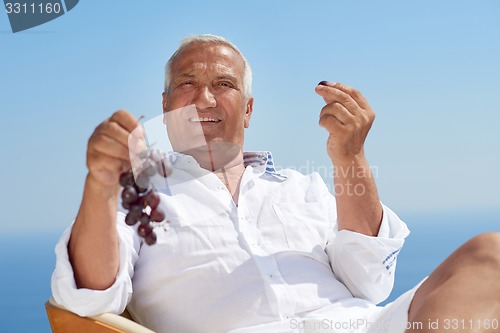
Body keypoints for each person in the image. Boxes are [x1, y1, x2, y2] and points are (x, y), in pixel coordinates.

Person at [51, 34, 500, 333]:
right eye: (188, 84)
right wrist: (100, 184)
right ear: (166, 105)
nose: (204, 98)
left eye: (222, 84)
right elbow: (88, 299)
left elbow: (370, 283)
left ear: (247, 110)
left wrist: (350, 157)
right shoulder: (135, 196)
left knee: (490, 255)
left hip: (365, 325)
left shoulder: (300, 186)